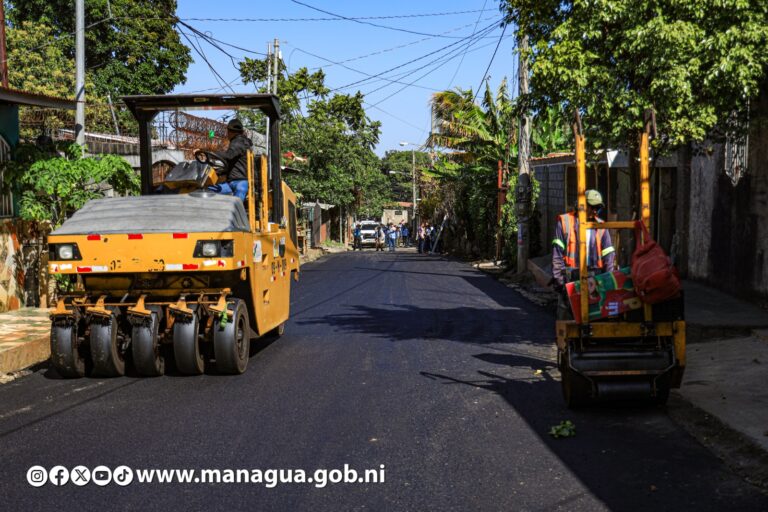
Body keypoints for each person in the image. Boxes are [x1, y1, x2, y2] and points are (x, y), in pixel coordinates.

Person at [551, 189, 616, 318]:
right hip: (570, 279)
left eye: (598, 207)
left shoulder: (600, 226)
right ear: (582, 205)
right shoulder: (565, 222)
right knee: (568, 320)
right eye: (593, 207)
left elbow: (608, 256)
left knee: (594, 320)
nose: (595, 211)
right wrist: (559, 282)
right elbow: (557, 254)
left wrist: (609, 281)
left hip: (595, 280)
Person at [199, 118, 253, 201]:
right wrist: (218, 171)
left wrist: (209, 154)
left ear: (230, 132)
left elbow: (229, 155)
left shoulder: (239, 141)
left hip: (241, 181)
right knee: (208, 191)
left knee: (236, 205)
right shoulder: (237, 143)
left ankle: (235, 212)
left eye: (228, 132)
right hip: (231, 182)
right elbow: (230, 162)